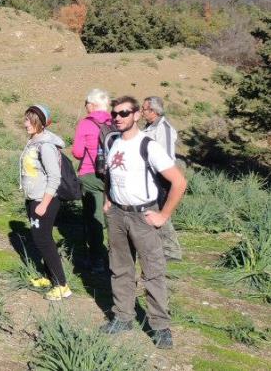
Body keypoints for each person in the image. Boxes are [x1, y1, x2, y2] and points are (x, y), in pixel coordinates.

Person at [101, 96, 187, 349]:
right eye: (115, 113)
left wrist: (163, 215)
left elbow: (179, 182)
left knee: (153, 272)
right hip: (117, 214)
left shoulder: (148, 145)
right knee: (120, 268)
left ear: (136, 115)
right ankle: (123, 317)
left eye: (124, 113)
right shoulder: (113, 142)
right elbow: (110, 174)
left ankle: (160, 326)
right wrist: (108, 200)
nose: (118, 117)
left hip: (143, 216)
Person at [19, 104, 71, 301]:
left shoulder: (46, 145)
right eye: (25, 119)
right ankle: (50, 278)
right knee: (41, 238)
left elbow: (54, 177)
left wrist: (44, 203)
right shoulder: (34, 140)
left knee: (44, 240)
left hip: (44, 199)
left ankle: (62, 285)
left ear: (39, 123)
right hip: (34, 198)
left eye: (29, 120)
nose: (25, 124)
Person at [71, 88, 112, 273]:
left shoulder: (85, 124)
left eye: (86, 102)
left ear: (93, 105)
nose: (85, 106)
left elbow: (78, 153)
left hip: (90, 174)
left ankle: (96, 261)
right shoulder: (115, 121)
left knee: (94, 218)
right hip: (113, 176)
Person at [142, 96, 183, 262]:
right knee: (154, 210)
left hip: (162, 176)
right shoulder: (150, 127)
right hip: (152, 176)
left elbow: (165, 156)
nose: (142, 112)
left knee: (162, 212)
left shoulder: (163, 128)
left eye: (144, 109)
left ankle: (172, 251)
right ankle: (159, 247)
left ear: (153, 111)